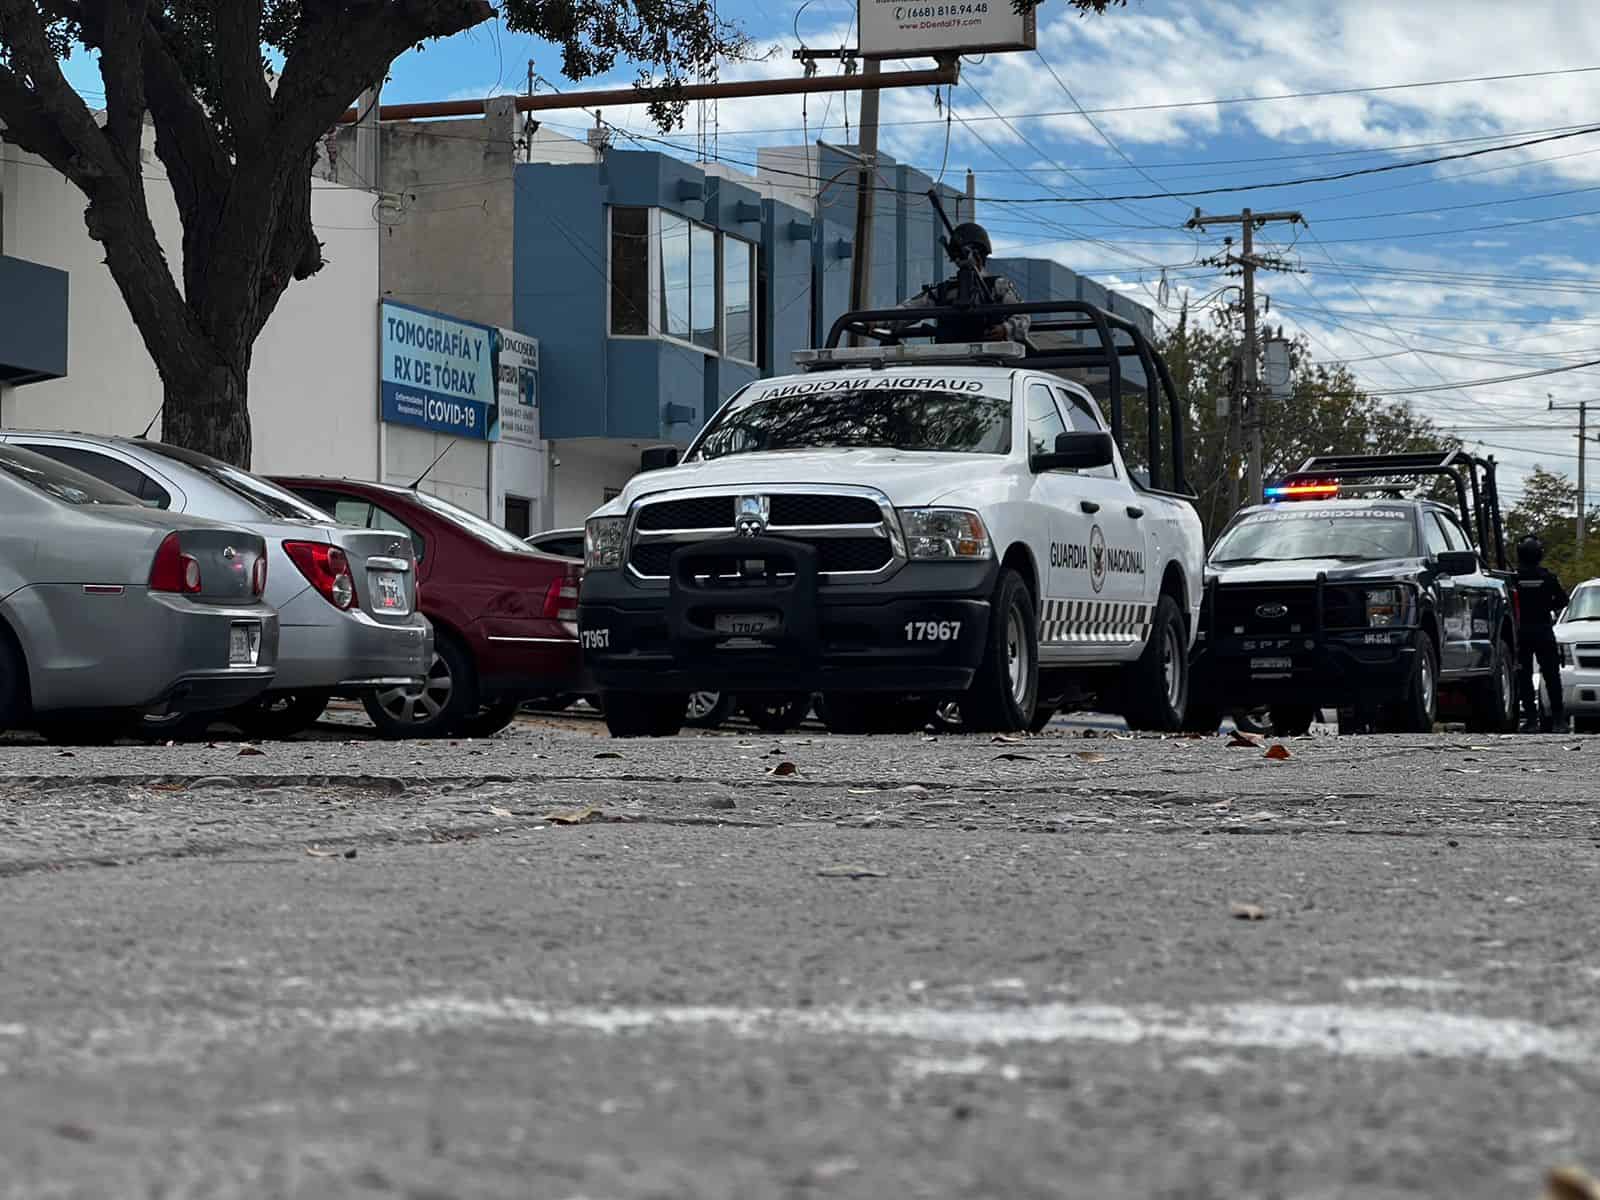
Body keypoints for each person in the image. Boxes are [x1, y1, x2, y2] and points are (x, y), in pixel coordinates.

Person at [893, 222, 1032, 345]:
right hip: (950, 360)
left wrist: (1005, 330)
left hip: (991, 359)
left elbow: (1023, 316)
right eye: (958, 255)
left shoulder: (997, 286)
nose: (960, 259)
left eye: (966, 252)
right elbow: (909, 310)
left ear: (979, 254)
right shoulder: (945, 291)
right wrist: (876, 322)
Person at [1514, 533, 1568, 732]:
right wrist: (1546, 606)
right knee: (1552, 675)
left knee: (1524, 676)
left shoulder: (1514, 578)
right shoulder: (1548, 577)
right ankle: (1559, 721)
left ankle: (1530, 720)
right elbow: (1563, 601)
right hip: (1544, 631)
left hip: (1521, 632)